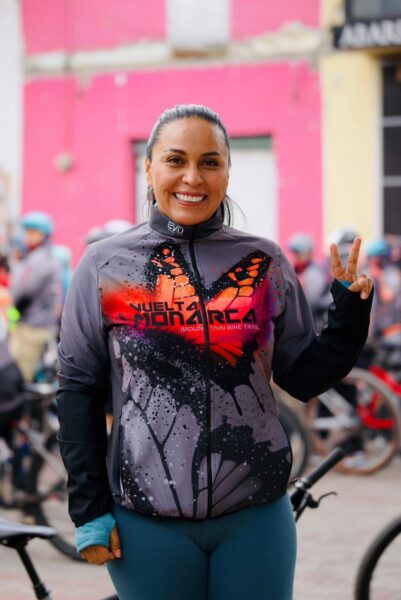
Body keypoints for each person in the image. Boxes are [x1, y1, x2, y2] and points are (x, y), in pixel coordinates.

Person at [57, 105, 373, 600]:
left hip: (256, 515)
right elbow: (78, 391)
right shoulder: (104, 264)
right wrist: (89, 508)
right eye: (175, 160)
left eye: (210, 162)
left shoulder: (264, 261)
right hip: (147, 518)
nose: (192, 177)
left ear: (227, 171)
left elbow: (303, 377)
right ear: (149, 168)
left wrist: (350, 312)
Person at [9, 211, 62, 382]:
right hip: (33, 324)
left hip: (33, 328)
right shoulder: (39, 257)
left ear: (41, 234)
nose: (26, 236)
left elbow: (23, 292)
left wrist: (14, 309)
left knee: (20, 376)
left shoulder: (40, 260)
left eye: (30, 232)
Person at [287, 232, 332, 333]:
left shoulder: (314, 272)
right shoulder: (297, 270)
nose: (295, 256)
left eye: (297, 253)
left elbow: (310, 302)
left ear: (307, 253)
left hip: (316, 326)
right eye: (294, 253)